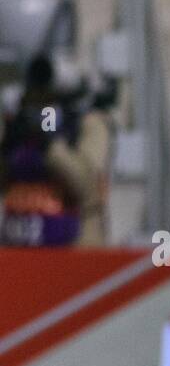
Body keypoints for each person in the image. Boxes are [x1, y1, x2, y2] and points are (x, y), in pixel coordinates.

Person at [0, 54, 111, 246]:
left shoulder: (88, 124)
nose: (43, 110)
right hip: (19, 245)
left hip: (75, 243)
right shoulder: (19, 125)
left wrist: (50, 146)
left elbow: (87, 186)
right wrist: (9, 143)